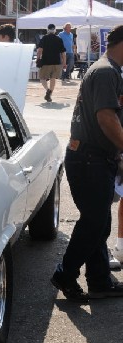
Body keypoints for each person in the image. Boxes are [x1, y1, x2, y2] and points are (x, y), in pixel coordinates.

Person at [51, 25, 123, 302]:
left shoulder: (107, 69)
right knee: (94, 222)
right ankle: (65, 273)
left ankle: (99, 279)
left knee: (98, 222)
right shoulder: (106, 71)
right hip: (89, 159)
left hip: (92, 157)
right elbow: (106, 118)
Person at [36, 23, 66, 102]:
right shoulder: (59, 39)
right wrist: (64, 62)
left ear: (48, 30)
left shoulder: (44, 38)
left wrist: (38, 58)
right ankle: (49, 95)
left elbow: (40, 50)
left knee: (42, 78)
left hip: (46, 61)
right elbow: (63, 53)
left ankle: (48, 90)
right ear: (55, 30)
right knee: (53, 78)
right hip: (57, 62)